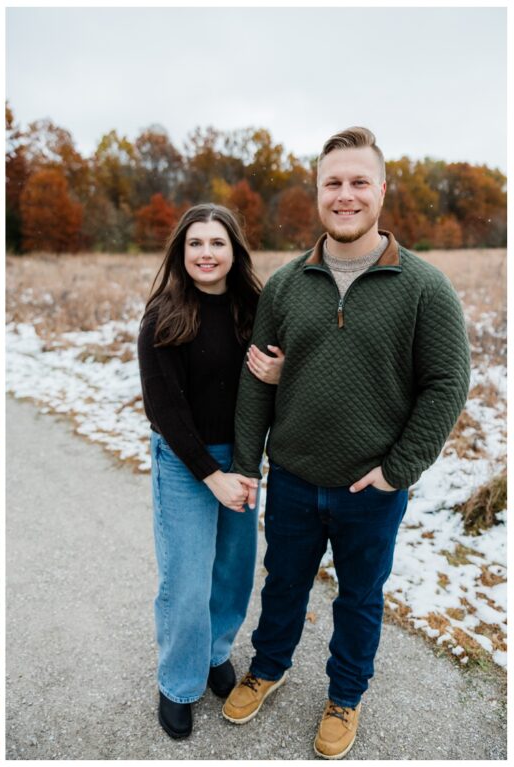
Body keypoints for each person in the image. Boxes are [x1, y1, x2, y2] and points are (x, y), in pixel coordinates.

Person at [224, 127, 471, 759]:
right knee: (282, 583)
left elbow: (447, 383)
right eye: (332, 182)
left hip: (371, 487)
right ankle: (268, 667)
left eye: (359, 181)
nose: (345, 195)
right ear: (317, 192)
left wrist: (398, 469)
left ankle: (345, 695)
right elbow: (257, 379)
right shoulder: (286, 285)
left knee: (360, 598)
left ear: (382, 190)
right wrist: (248, 464)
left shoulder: (424, 287)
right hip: (294, 477)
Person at [137, 203, 283, 740]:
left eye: (216, 243)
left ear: (233, 251)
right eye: (195, 243)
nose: (206, 253)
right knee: (187, 578)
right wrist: (210, 475)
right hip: (184, 461)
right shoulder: (164, 316)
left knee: (234, 571)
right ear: (181, 251)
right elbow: (165, 409)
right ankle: (178, 682)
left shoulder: (255, 307)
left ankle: (217, 651)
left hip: (241, 457)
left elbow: (273, 378)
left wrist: (283, 373)